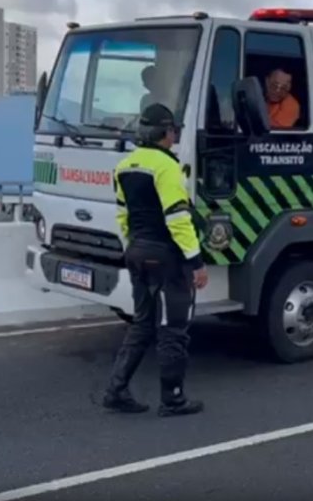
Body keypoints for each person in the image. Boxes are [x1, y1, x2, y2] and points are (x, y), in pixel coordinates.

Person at [102, 103, 208, 417]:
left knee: (142, 324)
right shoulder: (166, 166)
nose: (174, 136)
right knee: (174, 329)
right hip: (166, 257)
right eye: (173, 130)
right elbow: (177, 217)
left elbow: (123, 215)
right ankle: (173, 399)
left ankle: (116, 390)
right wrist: (196, 262)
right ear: (166, 133)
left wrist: (131, 247)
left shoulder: (124, 166)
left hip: (136, 251)